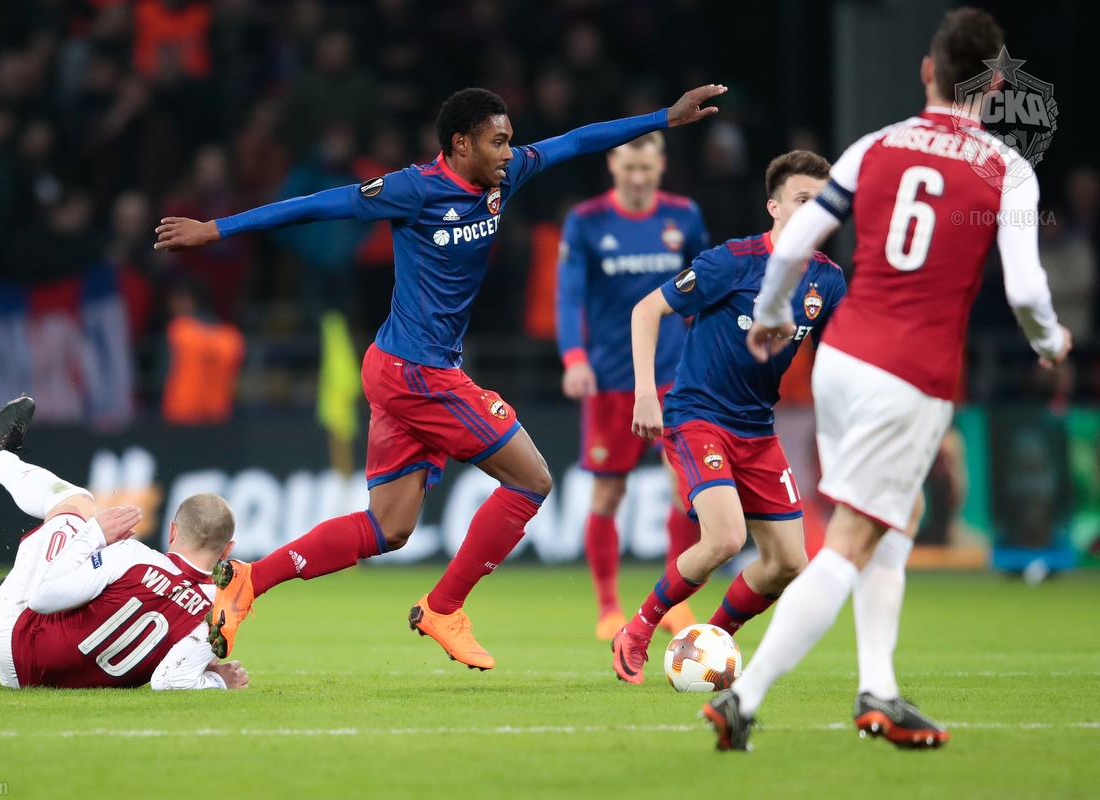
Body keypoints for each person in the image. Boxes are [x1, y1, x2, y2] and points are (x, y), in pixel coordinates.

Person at [155, 83, 728, 670]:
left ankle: (249, 580)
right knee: (532, 479)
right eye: (497, 142)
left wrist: (664, 116)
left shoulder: (507, 176)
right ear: (461, 144)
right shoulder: (413, 189)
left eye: (510, 141)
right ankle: (443, 607)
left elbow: (579, 141)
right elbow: (316, 204)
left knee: (388, 527)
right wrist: (215, 229)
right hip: (417, 372)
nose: (509, 152)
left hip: (403, 368)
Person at [705, 8, 1071, 751]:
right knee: (851, 538)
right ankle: (744, 696)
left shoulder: (873, 146)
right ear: (995, 87)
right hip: (910, 376)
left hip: (841, 361)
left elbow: (797, 242)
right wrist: (1050, 340)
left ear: (928, 71)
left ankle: (878, 689)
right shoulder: (1006, 168)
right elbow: (1027, 289)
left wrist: (770, 312)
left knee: (894, 520)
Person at [610, 150, 846, 684]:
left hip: (757, 429)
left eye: (824, 204)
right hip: (698, 416)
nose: (815, 212)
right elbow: (646, 310)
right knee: (724, 539)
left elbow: (843, 355)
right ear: (774, 207)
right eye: (803, 200)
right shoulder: (733, 261)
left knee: (790, 562)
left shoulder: (828, 281)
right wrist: (645, 394)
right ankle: (638, 630)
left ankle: (711, 640)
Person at [0, 397, 249, 691]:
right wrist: (216, 680)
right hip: (50, 680)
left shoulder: (132, 556)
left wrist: (93, 534)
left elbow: (42, 598)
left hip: (15, 644)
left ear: (172, 532)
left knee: (75, 501)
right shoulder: (216, 608)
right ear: (227, 550)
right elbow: (173, 675)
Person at [555, 130, 710, 640]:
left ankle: (675, 604)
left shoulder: (684, 216)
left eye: (647, 168)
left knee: (685, 487)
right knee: (608, 492)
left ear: (661, 166)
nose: (639, 178)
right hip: (611, 380)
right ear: (613, 166)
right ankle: (608, 608)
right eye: (629, 169)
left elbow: (706, 289)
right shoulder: (586, 221)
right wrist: (574, 358)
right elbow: (569, 296)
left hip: (674, 377)